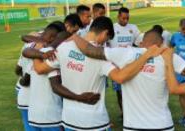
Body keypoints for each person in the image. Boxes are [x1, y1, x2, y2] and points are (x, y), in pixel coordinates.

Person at [27, 16, 165, 131]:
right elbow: (120, 77)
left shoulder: (64, 47)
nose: (106, 43)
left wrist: (37, 49)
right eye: (107, 39)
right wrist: (145, 56)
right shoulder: (100, 57)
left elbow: (39, 69)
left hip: (69, 119)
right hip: (94, 121)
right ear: (105, 33)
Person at [21, 21, 66, 131]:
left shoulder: (36, 52)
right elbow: (56, 87)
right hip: (51, 115)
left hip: (34, 113)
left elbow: (25, 80)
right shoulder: (53, 54)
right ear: (55, 38)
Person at [109, 7, 141, 118]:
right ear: (118, 16)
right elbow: (106, 44)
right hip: (116, 67)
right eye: (123, 18)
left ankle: (132, 111)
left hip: (131, 66)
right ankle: (124, 112)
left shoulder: (133, 28)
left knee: (132, 90)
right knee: (119, 92)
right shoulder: (112, 28)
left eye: (127, 18)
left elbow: (139, 43)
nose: (126, 20)